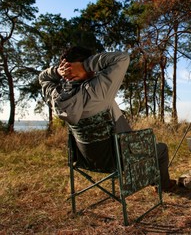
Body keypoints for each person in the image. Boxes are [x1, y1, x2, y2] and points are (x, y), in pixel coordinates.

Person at [39, 46, 176, 191]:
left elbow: (42, 78)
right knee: (161, 149)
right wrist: (84, 66)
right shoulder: (97, 91)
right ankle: (163, 186)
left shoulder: (55, 96)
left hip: (87, 160)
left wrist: (56, 72)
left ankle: (155, 181)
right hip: (118, 158)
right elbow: (122, 58)